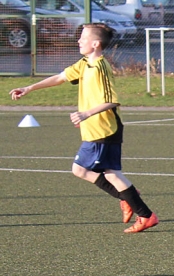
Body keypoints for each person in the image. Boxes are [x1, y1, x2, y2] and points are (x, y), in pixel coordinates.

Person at [9, 23, 158, 233]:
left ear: (96, 43)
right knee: (82, 170)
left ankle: (145, 214)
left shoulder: (101, 68)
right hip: (93, 130)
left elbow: (112, 100)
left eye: (83, 38)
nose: (79, 41)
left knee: (111, 174)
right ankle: (127, 198)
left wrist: (86, 113)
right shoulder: (85, 63)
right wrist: (29, 88)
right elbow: (61, 77)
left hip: (104, 129)